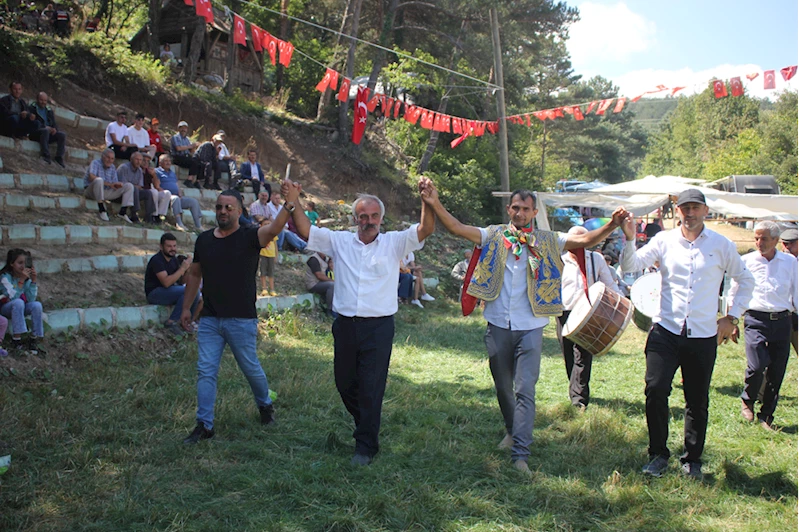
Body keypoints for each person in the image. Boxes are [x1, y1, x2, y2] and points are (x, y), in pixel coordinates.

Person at [420, 183, 630, 473]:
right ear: (509, 209)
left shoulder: (548, 240)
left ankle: (521, 454)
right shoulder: (493, 235)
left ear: (533, 212)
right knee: (503, 387)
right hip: (498, 323)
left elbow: (585, 240)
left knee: (525, 389)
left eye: (525, 209)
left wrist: (612, 224)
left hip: (531, 326)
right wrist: (434, 202)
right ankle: (511, 430)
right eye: (516, 208)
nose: (520, 213)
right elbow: (456, 228)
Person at [282, 179, 435, 465]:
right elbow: (305, 231)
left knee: (371, 387)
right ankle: (367, 421)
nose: (369, 221)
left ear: (381, 219)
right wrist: (294, 201)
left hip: (378, 327)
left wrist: (428, 202)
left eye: (374, 216)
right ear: (355, 219)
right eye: (363, 216)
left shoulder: (394, 242)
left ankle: (365, 446)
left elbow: (425, 229)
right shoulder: (340, 241)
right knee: (344, 383)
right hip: (346, 325)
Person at [620, 189, 754, 480]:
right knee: (655, 389)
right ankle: (658, 455)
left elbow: (745, 280)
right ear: (677, 211)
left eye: (695, 207)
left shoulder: (721, 245)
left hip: (703, 334)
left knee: (697, 399)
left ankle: (692, 460)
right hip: (666, 330)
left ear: (705, 210)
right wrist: (630, 239)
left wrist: (732, 316)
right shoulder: (664, 240)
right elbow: (630, 266)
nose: (690, 213)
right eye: (685, 208)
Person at [179, 188, 298, 444]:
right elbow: (195, 274)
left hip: (241, 319)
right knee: (205, 371)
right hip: (210, 319)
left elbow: (274, 228)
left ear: (240, 211)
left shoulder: (250, 236)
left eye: (228, 207)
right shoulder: (204, 240)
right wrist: (187, 308)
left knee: (250, 367)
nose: (223, 211)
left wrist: (289, 204)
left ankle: (265, 404)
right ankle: (204, 425)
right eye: (219, 207)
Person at [728, 221, 797, 431]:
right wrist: (732, 320)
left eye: (764, 238)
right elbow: (734, 291)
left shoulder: (790, 262)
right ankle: (747, 400)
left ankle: (766, 414)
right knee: (757, 365)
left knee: (777, 369)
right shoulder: (746, 261)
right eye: (756, 238)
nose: (759, 243)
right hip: (755, 319)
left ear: (776, 240)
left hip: (782, 320)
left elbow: (797, 291)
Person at [557, 226, 622, 410]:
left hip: (588, 313)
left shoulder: (595, 259)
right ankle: (575, 387)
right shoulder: (560, 260)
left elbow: (609, 284)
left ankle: (578, 399)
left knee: (583, 355)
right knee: (569, 354)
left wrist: (621, 304)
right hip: (565, 313)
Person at [145, 233, 200, 336]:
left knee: (194, 291)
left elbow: (181, 282)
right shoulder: (157, 260)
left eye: (174, 246)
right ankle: (172, 322)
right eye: (169, 246)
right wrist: (182, 269)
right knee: (189, 291)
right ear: (161, 247)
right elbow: (166, 283)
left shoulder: (173, 260)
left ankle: (187, 322)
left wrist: (188, 270)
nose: (172, 249)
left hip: (169, 291)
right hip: (155, 293)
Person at [0, 249, 45, 355]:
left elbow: (31, 299)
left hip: (20, 307)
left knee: (37, 305)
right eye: (20, 263)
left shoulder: (26, 279)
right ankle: (16, 340)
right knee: (18, 302)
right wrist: (21, 281)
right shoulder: (5, 277)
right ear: (11, 264)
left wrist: (33, 281)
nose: (23, 266)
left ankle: (33, 338)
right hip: (5, 308)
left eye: (25, 263)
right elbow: (12, 297)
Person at [84, 149, 136, 223]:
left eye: (112, 159)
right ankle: (102, 209)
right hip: (92, 191)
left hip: (105, 192)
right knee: (99, 180)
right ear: (103, 156)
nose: (110, 160)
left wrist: (118, 185)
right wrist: (109, 184)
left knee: (129, 186)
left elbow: (114, 182)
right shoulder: (95, 163)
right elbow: (91, 177)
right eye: (108, 157)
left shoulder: (112, 167)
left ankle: (123, 212)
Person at [155, 154, 203, 231]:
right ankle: (179, 223)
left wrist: (179, 192)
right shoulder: (157, 172)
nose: (168, 163)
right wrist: (167, 194)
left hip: (176, 196)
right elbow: (157, 186)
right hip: (165, 196)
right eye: (166, 161)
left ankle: (198, 225)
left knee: (193, 201)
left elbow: (176, 184)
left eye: (169, 161)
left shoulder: (172, 173)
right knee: (175, 198)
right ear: (160, 163)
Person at [117, 152, 165, 224]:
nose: (138, 162)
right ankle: (133, 214)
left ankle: (149, 216)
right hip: (122, 193)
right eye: (137, 159)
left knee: (148, 193)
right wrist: (134, 186)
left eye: (140, 160)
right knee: (133, 188)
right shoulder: (124, 168)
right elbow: (123, 184)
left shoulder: (139, 170)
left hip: (134, 192)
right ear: (131, 159)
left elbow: (140, 186)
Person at [28, 91, 66, 167]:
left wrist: (54, 129)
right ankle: (46, 155)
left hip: (48, 134)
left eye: (45, 100)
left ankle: (59, 157)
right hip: (35, 133)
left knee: (62, 135)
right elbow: (32, 123)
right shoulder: (32, 108)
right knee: (45, 131)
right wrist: (44, 127)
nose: (43, 102)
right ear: (37, 99)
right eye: (41, 100)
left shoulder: (49, 110)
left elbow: (53, 122)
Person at [779, 228, 799, 355]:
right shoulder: (777, 261)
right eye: (785, 243)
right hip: (784, 312)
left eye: (792, 243)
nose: (787, 247)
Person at [169, 121, 201, 188]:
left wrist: (194, 147)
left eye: (185, 128)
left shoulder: (187, 139)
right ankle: (188, 180)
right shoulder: (175, 137)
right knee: (193, 162)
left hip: (185, 156)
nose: (183, 129)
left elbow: (190, 150)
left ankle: (197, 181)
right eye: (182, 128)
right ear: (179, 128)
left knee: (199, 162)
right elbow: (178, 148)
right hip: (177, 157)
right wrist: (190, 146)